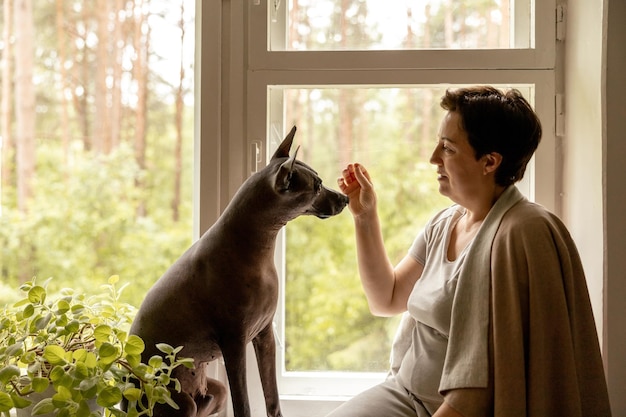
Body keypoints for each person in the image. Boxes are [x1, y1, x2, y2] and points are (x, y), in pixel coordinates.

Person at [330, 86, 611, 417]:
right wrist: (365, 216)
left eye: (447, 148)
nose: (434, 157)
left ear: (489, 161)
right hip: (404, 395)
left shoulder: (523, 233)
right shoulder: (444, 224)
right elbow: (386, 299)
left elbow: (485, 388)